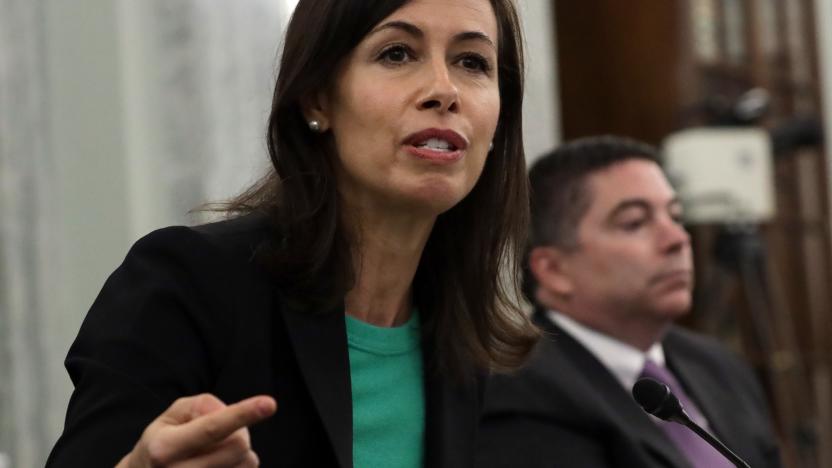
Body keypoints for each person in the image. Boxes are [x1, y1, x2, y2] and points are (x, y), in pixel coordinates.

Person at [46, 0, 539, 466]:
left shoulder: (484, 352)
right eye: (397, 53)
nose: (443, 90)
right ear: (316, 98)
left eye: (472, 62)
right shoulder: (188, 285)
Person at [476, 135, 783, 468]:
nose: (678, 239)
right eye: (635, 222)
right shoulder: (520, 391)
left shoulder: (721, 367)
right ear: (553, 270)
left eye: (676, 216)